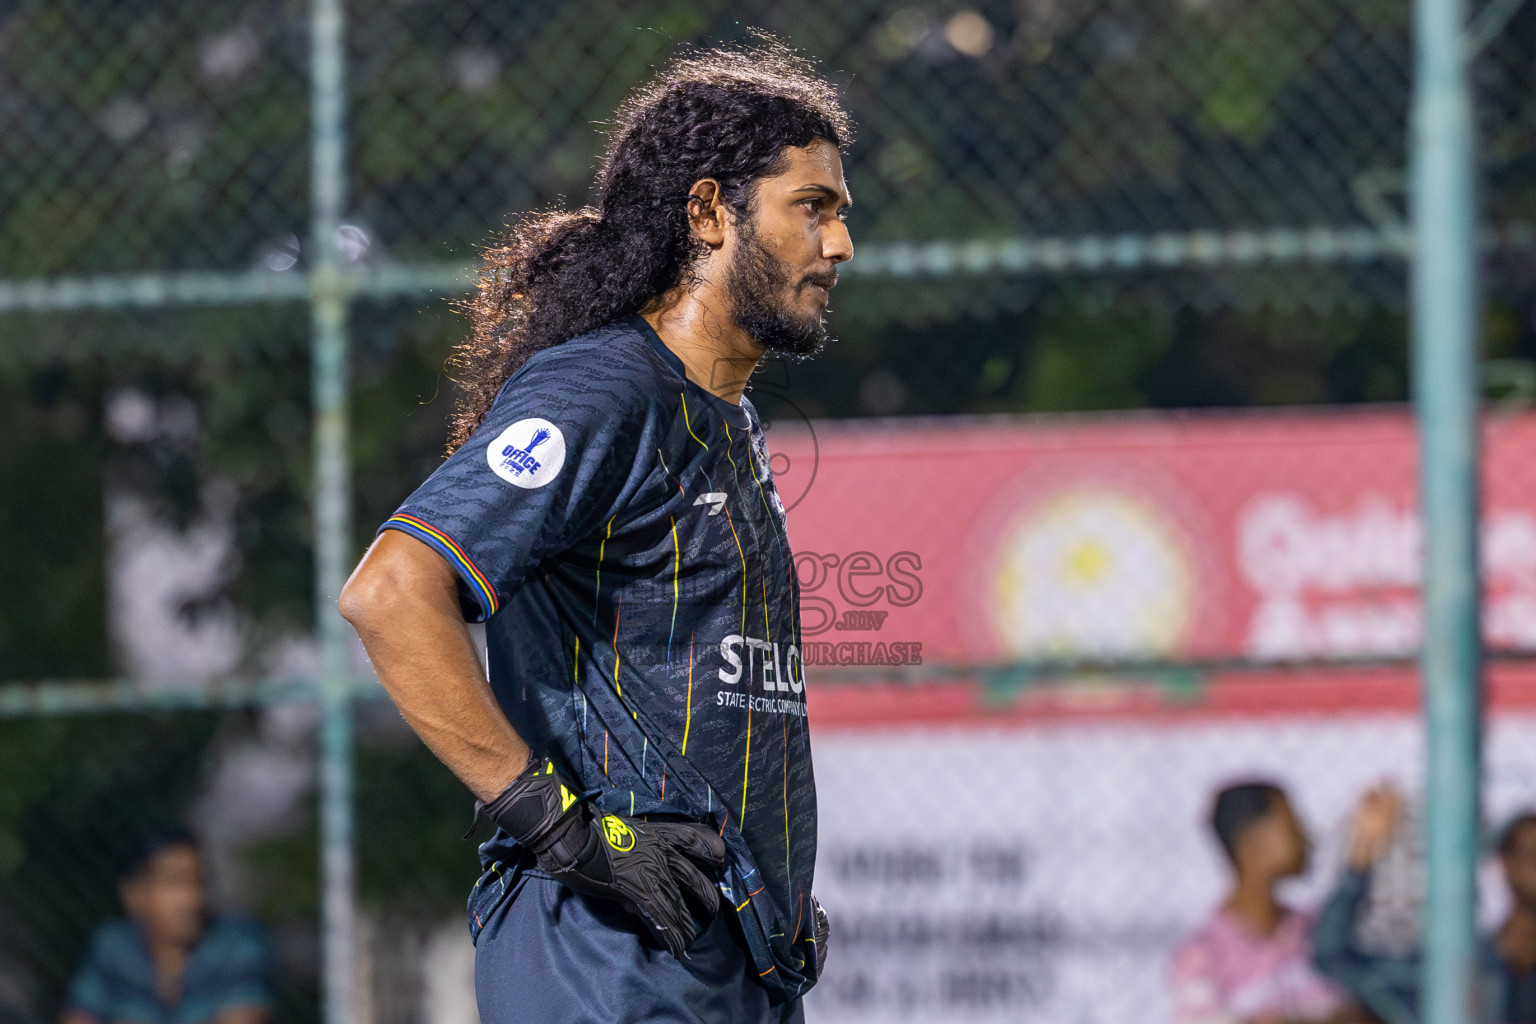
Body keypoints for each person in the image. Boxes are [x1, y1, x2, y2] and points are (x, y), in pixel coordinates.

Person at [338, 40, 853, 1024]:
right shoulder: (606, 387)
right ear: (709, 213)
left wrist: (773, 900)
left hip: (719, 966)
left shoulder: (725, 417)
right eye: (812, 208)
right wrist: (560, 827)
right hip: (602, 960)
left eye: (840, 215)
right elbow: (392, 594)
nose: (839, 247)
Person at [1171, 782, 1354, 1024]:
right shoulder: (1203, 956)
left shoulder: (1317, 932)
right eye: (1293, 827)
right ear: (1255, 844)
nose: (1307, 838)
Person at [60, 831, 270, 1024]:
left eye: (198, 881)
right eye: (174, 882)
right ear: (134, 895)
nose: (192, 899)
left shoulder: (238, 942)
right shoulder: (113, 947)